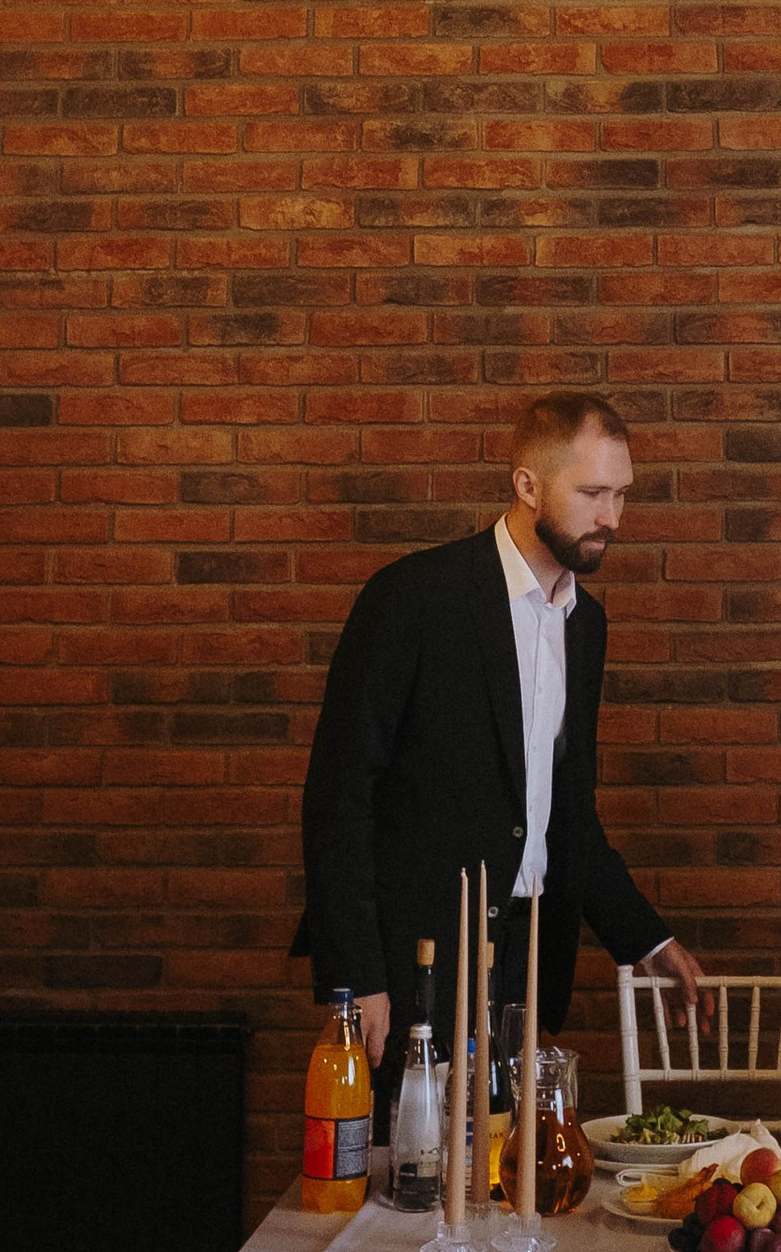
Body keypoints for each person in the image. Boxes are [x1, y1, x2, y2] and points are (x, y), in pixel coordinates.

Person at [295, 392, 700, 1108]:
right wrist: (360, 983)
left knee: (508, 1187)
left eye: (622, 495)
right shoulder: (413, 598)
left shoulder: (587, 625)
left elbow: (565, 816)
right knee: (410, 1194)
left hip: (526, 965)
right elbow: (339, 797)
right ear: (526, 485)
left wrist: (648, 943)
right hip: (413, 966)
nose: (613, 516)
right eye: (593, 493)